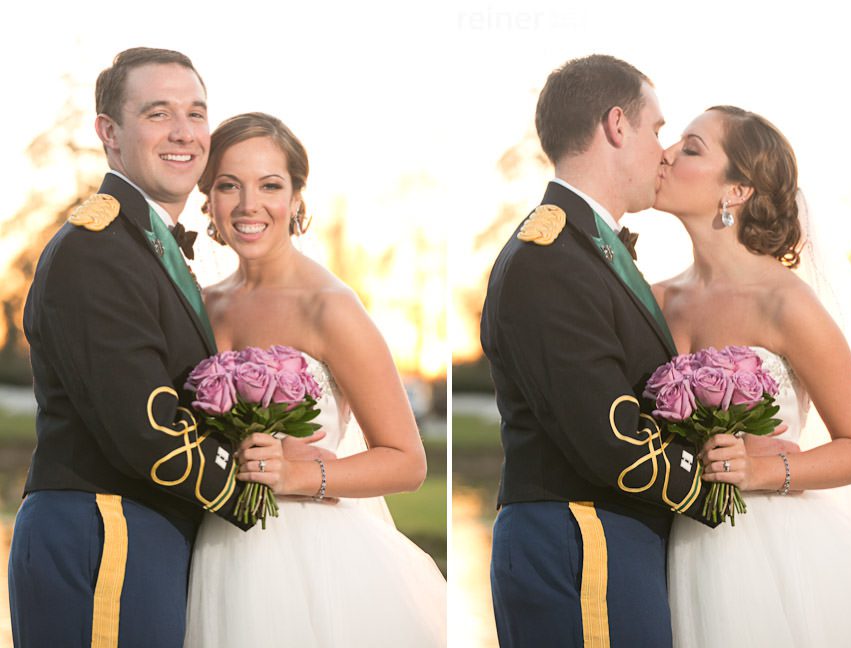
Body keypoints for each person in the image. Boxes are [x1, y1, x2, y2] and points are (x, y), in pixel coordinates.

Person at [479, 55, 753, 647]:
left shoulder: (589, 248)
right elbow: (614, 441)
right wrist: (719, 486)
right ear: (617, 126)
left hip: (604, 539)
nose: (664, 151)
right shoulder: (549, 258)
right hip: (580, 542)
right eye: (657, 129)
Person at [7, 48, 258, 646]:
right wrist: (259, 493)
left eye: (196, 114)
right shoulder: (97, 251)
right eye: (158, 114)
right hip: (105, 533)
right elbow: (147, 431)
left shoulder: (145, 246)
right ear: (109, 132)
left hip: (139, 531)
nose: (184, 133)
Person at [182, 112, 447, 647]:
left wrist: (298, 476)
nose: (248, 204)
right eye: (229, 185)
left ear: (297, 198)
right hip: (214, 549)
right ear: (208, 199)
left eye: (270, 185)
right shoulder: (201, 305)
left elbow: (407, 461)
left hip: (312, 559)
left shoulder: (331, 307)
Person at [654, 105, 851, 646]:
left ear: (736, 191)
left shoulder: (785, 303)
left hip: (770, 553)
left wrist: (760, 471)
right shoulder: (654, 298)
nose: (665, 154)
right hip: (673, 546)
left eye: (691, 148)